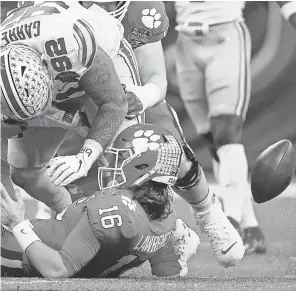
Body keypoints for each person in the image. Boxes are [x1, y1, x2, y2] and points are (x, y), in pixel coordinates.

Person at [61, 0, 245, 270]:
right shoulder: (59, 9)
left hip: (131, 98)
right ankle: (172, 234)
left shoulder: (141, 9)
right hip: (76, 106)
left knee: (166, 147)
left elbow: (156, 79)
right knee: (94, 221)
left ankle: (208, 211)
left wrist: (140, 97)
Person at [1, 124, 197, 278]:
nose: (113, 163)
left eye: (122, 157)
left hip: (17, 251)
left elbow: (56, 270)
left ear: (143, 166)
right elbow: (167, 271)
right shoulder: (164, 212)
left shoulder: (116, 210)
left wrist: (18, 223)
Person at [1, 1, 129, 214]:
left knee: (123, 153)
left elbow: (115, 104)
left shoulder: (75, 43)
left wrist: (85, 158)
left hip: (102, 49)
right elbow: (16, 120)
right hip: (50, 73)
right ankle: (69, 216)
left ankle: (153, 226)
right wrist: (72, 120)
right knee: (25, 173)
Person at [173, 1, 267, 254]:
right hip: (186, 41)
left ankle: (232, 223)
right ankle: (251, 226)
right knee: (212, 139)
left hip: (225, 37)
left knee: (226, 131)